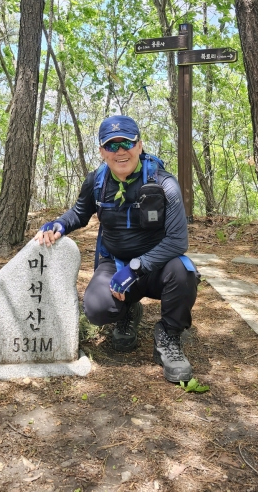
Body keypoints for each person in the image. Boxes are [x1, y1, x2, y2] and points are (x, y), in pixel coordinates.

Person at [35, 115, 198, 383]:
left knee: (184, 273)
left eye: (127, 143)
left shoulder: (164, 183)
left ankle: (169, 336)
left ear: (139, 145)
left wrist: (137, 268)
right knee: (97, 308)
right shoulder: (96, 182)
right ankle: (128, 310)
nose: (120, 151)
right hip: (116, 263)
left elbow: (178, 241)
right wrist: (59, 224)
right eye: (111, 145)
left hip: (158, 267)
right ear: (102, 151)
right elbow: (80, 213)